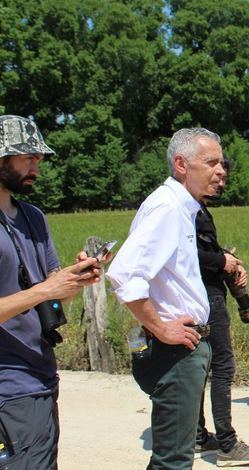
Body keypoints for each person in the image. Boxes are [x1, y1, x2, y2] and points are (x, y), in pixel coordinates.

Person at [107, 127, 225, 469]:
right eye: (211, 162)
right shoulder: (168, 209)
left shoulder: (181, 208)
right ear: (181, 164)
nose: (221, 171)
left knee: (171, 457)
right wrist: (160, 328)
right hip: (174, 350)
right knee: (173, 461)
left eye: (222, 163)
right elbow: (125, 274)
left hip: (181, 348)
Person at [0, 115, 102, 468]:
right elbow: (45, 289)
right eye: (27, 157)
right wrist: (45, 289)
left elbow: (54, 294)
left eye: (39, 159)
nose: (36, 167)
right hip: (9, 383)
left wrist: (76, 279)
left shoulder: (33, 217)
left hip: (41, 371)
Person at [193, 157, 249, 466]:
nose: (221, 180)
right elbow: (187, 252)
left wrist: (224, 258)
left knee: (198, 368)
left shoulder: (192, 208)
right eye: (216, 173)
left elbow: (199, 250)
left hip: (200, 296)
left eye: (224, 176)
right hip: (208, 298)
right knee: (222, 366)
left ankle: (197, 436)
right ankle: (227, 443)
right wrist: (223, 262)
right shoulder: (187, 210)